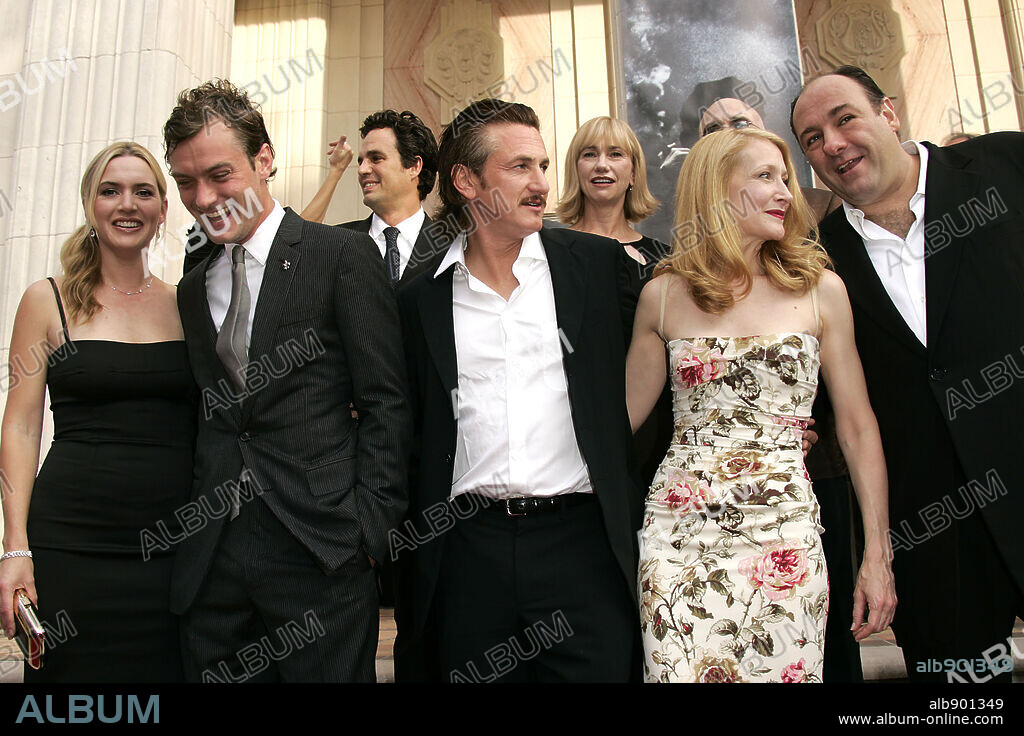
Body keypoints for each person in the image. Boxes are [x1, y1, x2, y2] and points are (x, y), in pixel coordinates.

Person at [626, 127, 897, 682]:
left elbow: (857, 429)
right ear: (716, 189)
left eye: (786, 179)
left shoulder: (822, 290)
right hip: (679, 538)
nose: (785, 193)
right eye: (765, 177)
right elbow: (616, 424)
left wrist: (878, 555)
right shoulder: (664, 295)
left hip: (785, 531)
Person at [164, 79, 410, 682]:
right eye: (186, 182)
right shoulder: (193, 285)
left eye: (220, 174)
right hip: (215, 560)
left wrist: (364, 534)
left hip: (322, 552)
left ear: (265, 159)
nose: (204, 197)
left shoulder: (340, 256)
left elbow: (387, 403)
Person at [791, 65, 1024, 683]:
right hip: (932, 533)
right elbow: (817, 388)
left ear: (888, 114)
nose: (832, 144)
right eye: (812, 138)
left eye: (844, 119)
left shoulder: (1007, 166)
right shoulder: (815, 262)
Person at [395, 98, 641, 683]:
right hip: (466, 553)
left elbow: (670, 358)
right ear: (465, 180)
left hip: (583, 546)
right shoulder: (419, 299)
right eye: (520, 167)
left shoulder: (598, 267)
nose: (541, 183)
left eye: (543, 165)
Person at [0, 142, 192, 682]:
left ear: (162, 209)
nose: (126, 204)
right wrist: (15, 548)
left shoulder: (188, 301)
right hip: (71, 541)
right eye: (110, 190)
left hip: (174, 543)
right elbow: (20, 425)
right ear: (91, 204)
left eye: (143, 191)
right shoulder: (47, 299)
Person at [699, 96, 861, 682]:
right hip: (699, 512)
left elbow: (855, 400)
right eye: (712, 131)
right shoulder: (672, 284)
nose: (727, 134)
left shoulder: (826, 235)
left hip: (813, 485)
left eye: (739, 123)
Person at [337, 110, 446, 286]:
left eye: (376, 158)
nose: (362, 170)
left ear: (414, 166)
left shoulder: (453, 248)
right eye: (361, 161)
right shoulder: (336, 243)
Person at [556, 116, 666, 283]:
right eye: (590, 154)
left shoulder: (663, 260)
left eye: (615, 154)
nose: (601, 165)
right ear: (575, 170)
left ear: (633, 174)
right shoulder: (552, 251)